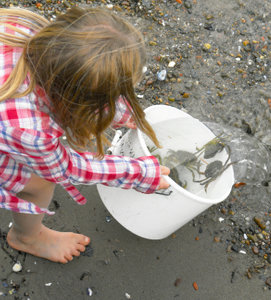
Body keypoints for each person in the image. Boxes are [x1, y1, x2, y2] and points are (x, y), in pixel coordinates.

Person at [0, 6, 170, 263]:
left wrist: (120, 113)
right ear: (76, 102)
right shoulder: (30, 129)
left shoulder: (23, 25)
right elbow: (64, 169)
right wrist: (139, 173)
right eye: (111, 99)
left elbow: (70, 80)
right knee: (37, 183)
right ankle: (27, 237)